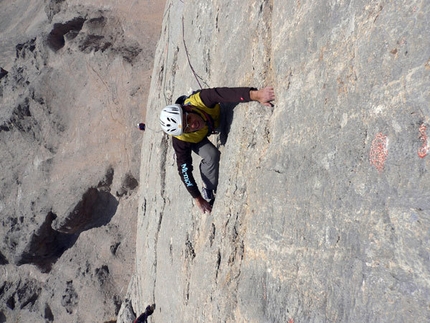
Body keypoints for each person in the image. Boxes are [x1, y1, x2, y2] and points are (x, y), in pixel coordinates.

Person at [159, 87, 275, 214]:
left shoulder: (201, 99)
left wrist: (257, 95)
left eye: (188, 119)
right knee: (211, 155)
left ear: (187, 109)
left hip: (213, 120)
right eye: (186, 128)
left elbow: (225, 94)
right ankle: (208, 188)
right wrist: (197, 197)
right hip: (197, 140)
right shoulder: (181, 139)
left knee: (222, 111)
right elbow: (184, 170)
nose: (192, 125)